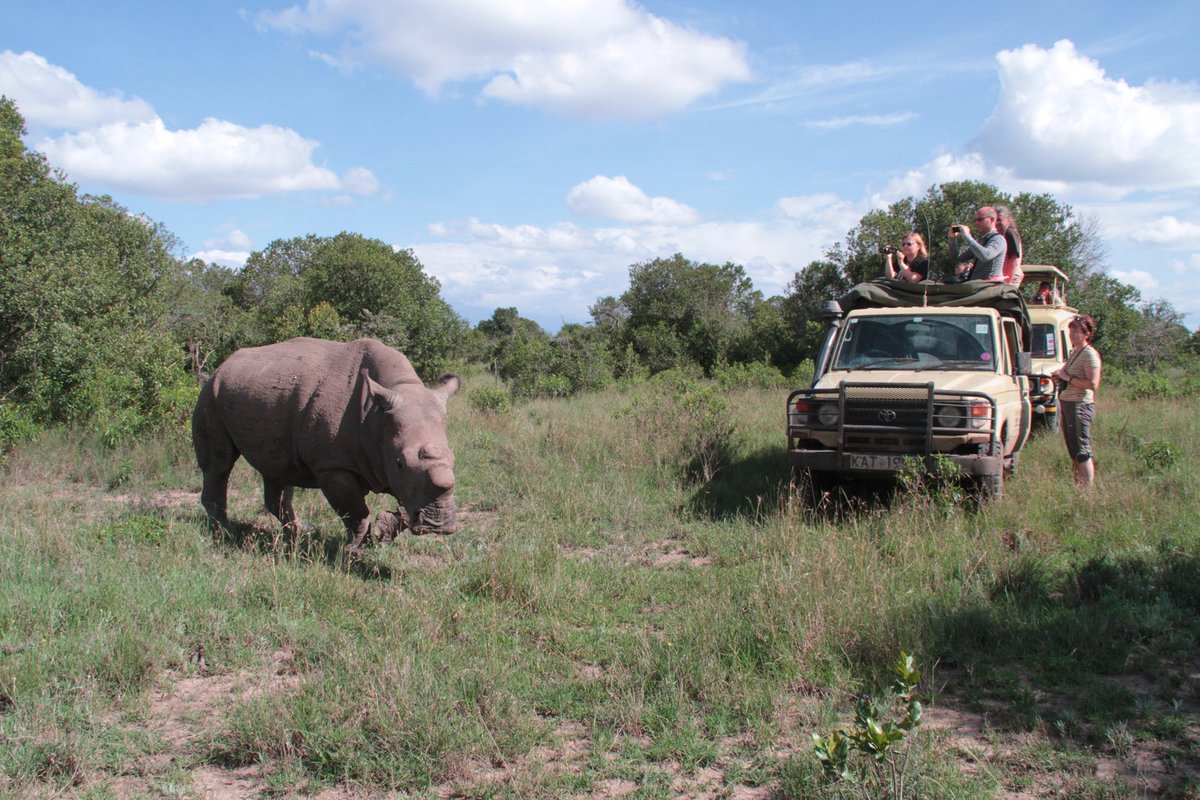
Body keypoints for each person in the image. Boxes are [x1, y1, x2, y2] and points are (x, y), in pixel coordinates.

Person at [1051, 314, 1102, 488]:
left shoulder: (1090, 355)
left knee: (1082, 451)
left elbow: (1093, 384)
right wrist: (1060, 378)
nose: (1073, 334)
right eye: (1071, 330)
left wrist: (1068, 378)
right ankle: (1078, 487)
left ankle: (1086, 492)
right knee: (1074, 451)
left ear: (1086, 333)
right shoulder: (1074, 352)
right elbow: (1068, 375)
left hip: (1079, 405)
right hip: (1067, 403)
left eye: (1077, 331)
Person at [951, 206, 1006, 281]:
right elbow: (957, 257)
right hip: (978, 285)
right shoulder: (981, 241)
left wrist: (967, 237)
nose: (976, 222)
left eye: (980, 219)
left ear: (991, 219)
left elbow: (985, 256)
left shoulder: (998, 239)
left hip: (989, 286)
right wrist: (952, 239)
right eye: (976, 220)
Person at [996, 206, 1023, 286]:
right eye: (995, 220)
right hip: (1004, 276)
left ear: (1008, 221)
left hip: (1010, 276)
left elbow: (1014, 259)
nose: (997, 223)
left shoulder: (1009, 233)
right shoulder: (1000, 236)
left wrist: (1008, 282)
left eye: (999, 220)